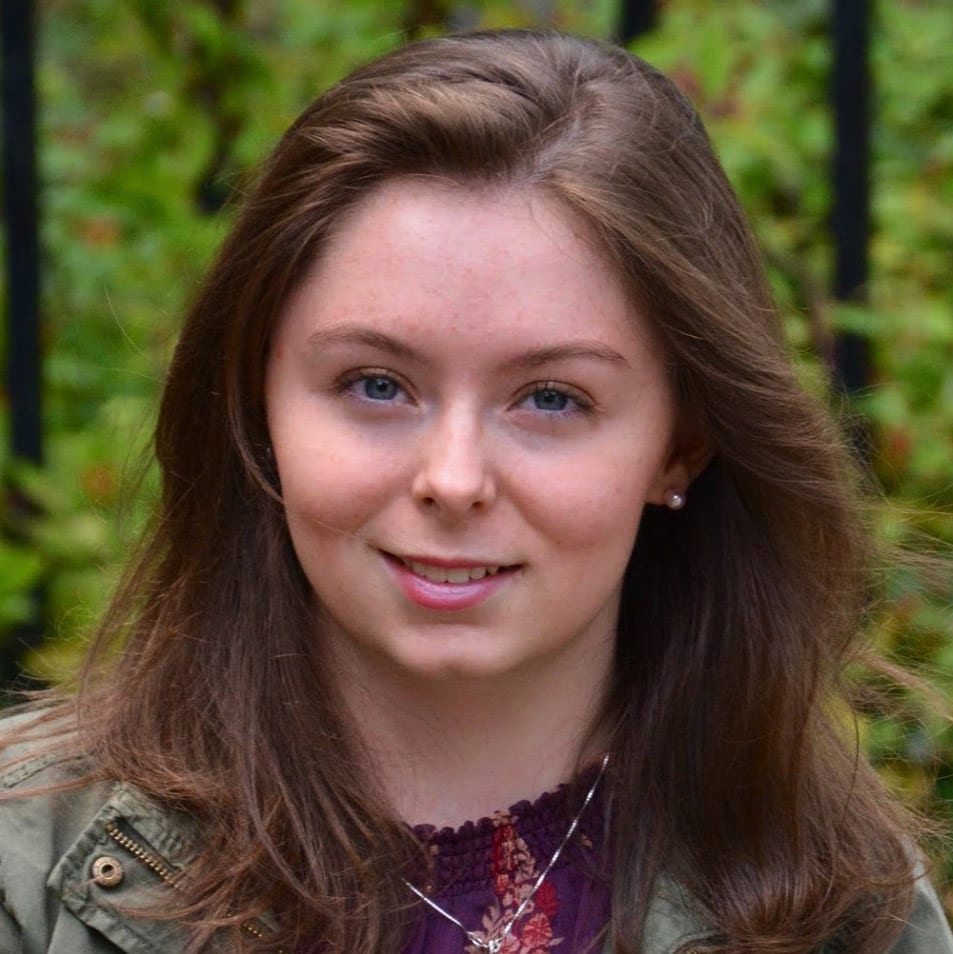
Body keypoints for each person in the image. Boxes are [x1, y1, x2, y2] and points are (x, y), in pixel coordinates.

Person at [0, 28, 950, 954]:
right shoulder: (24, 873)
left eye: (550, 398)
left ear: (679, 444)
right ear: (260, 407)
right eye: (376, 385)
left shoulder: (847, 912)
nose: (452, 481)